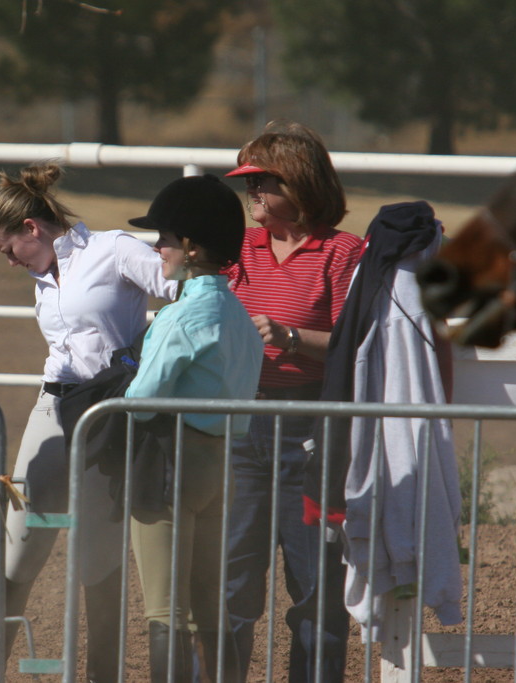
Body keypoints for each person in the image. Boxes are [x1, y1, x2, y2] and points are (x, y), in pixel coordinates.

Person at [0, 162, 178, 683]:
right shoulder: (43, 275)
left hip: (108, 411)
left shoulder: (115, 249)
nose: (8, 262)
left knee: (98, 556)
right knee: (18, 543)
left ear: (31, 229)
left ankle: (101, 676)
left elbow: (182, 292)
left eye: (7, 250)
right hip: (53, 405)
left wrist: (149, 354)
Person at [222, 121, 363, 682]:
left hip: (313, 433)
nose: (251, 193)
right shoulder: (238, 249)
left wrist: (289, 337)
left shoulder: (343, 253)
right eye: (247, 183)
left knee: (315, 583)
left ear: (300, 183)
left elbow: (357, 350)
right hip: (242, 426)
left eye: (263, 181)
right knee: (231, 578)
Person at [123, 174, 263, 683]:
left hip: (170, 463)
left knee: (166, 611)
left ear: (190, 245)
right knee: (208, 606)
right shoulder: (240, 316)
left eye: (163, 237)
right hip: (219, 464)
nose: (157, 247)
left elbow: (141, 399)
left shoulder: (181, 317)